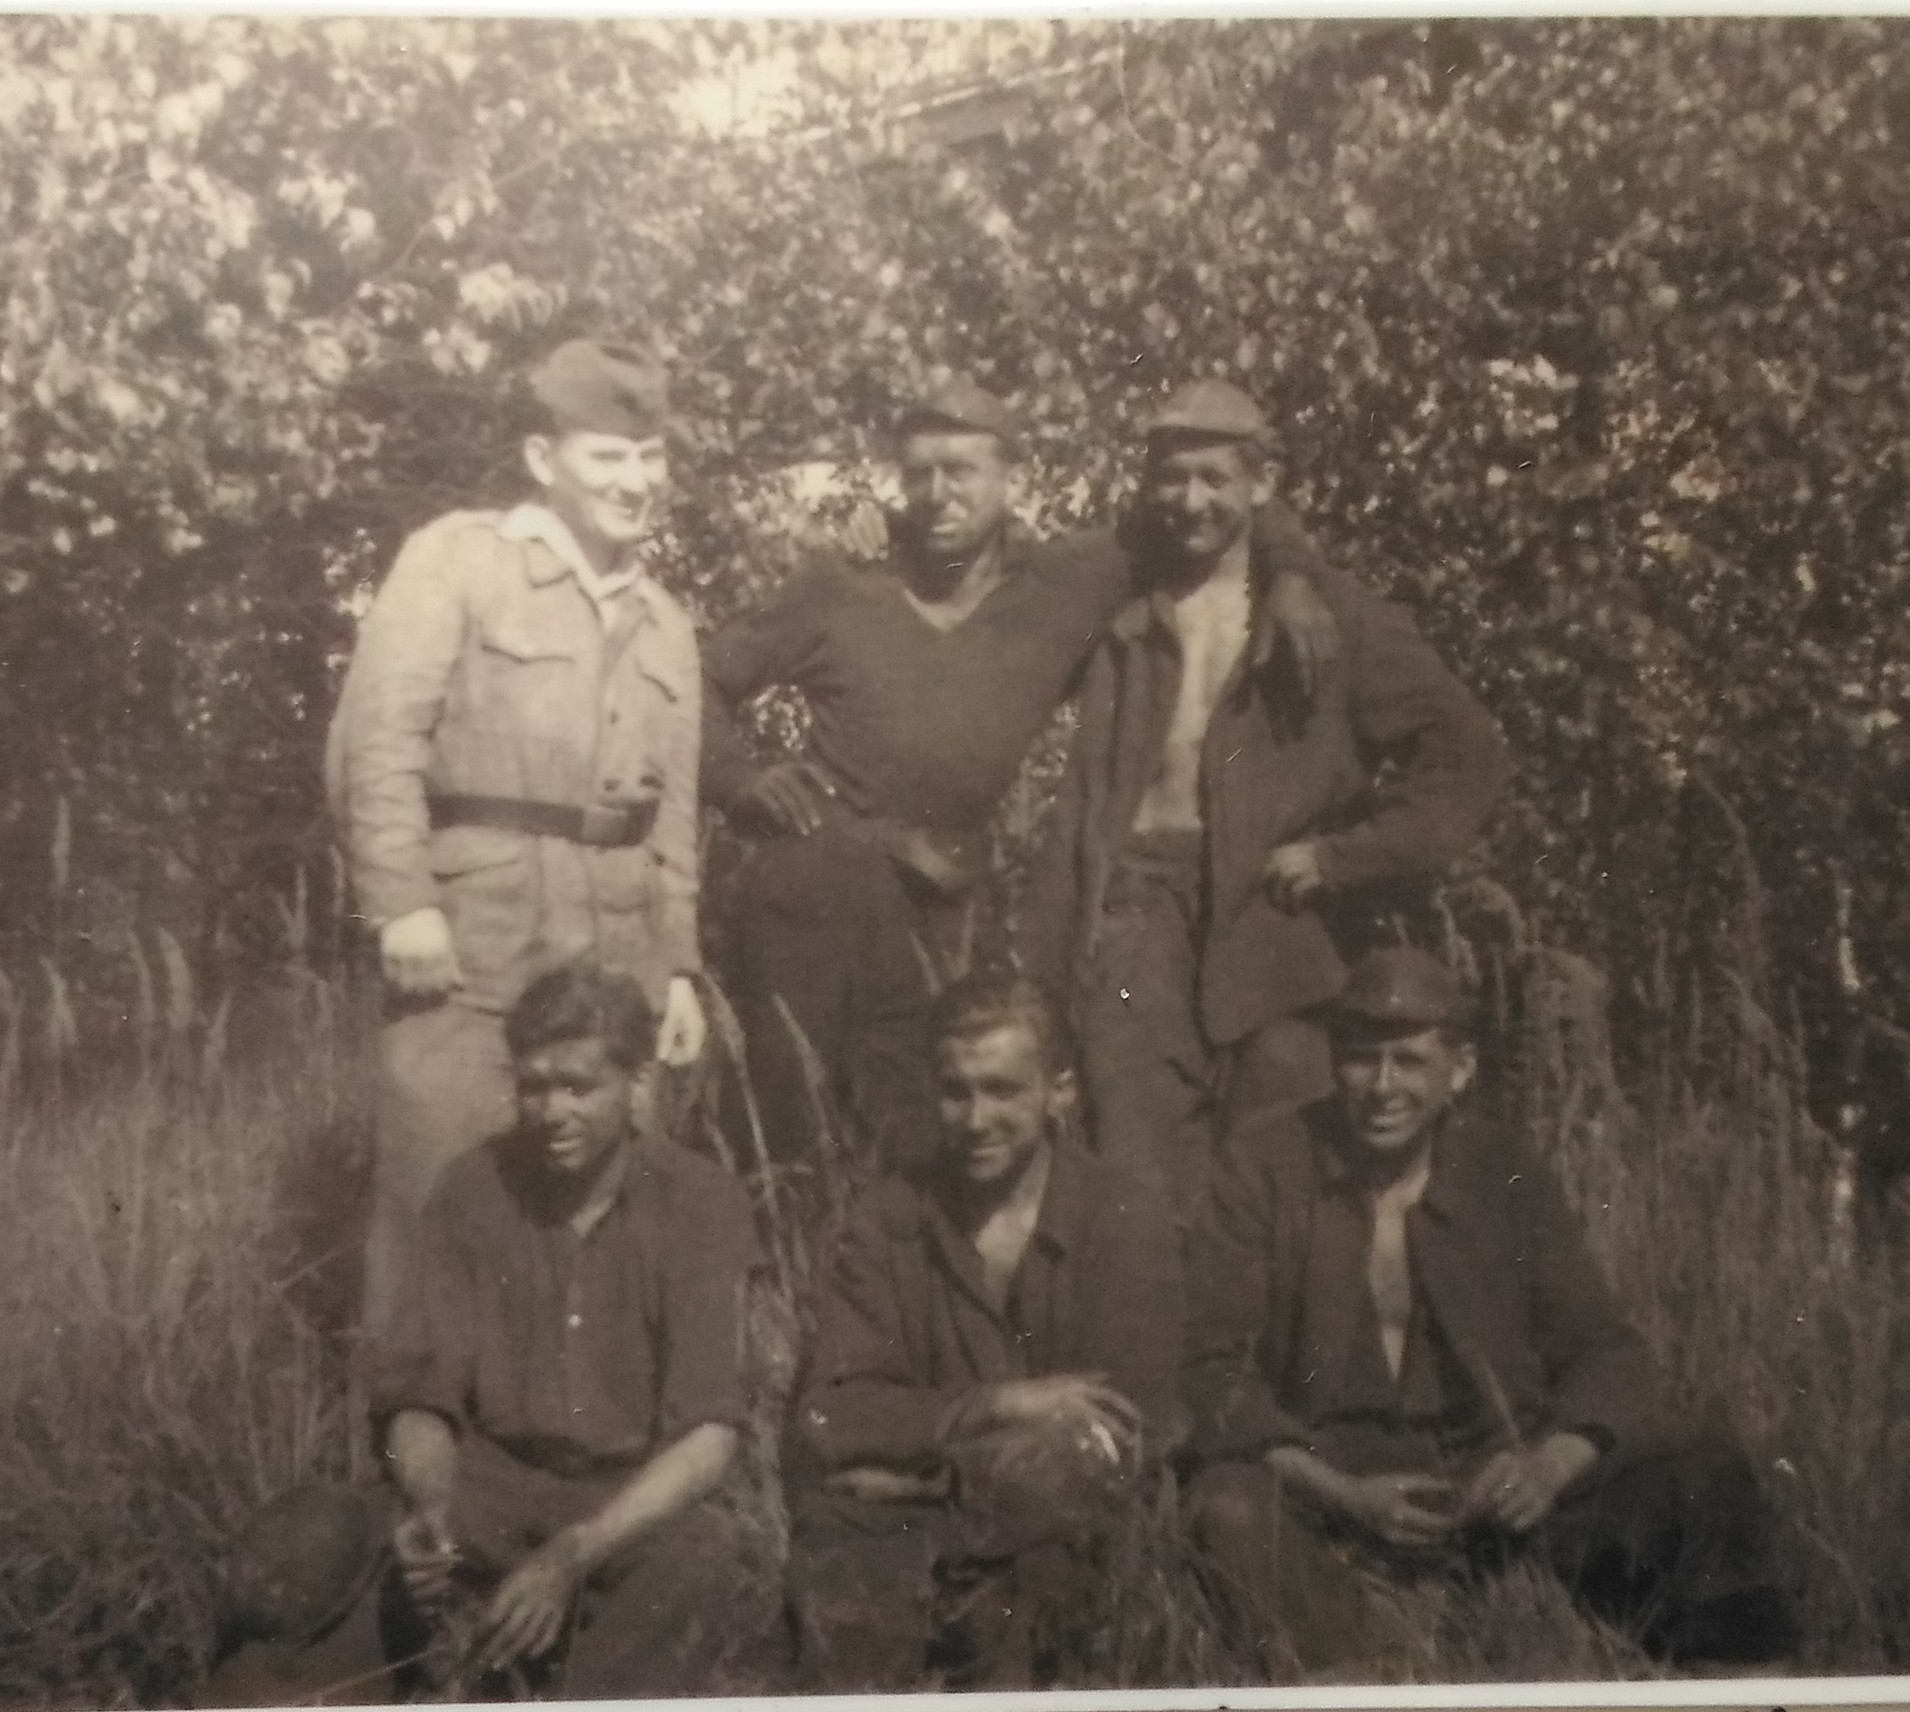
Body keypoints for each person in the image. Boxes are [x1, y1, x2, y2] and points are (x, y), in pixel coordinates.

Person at [702, 375, 1340, 1170]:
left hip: (937, 901)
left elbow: (1213, 503)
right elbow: (702, 679)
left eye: (961, 471)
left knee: (922, 1132)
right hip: (811, 889)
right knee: (787, 1133)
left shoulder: (1068, 583)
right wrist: (739, 778)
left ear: (1013, 477)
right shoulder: (841, 583)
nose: (938, 494)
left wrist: (1293, 575)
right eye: (919, 473)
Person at [1182, 947, 1796, 1679]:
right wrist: (1344, 1496)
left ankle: (1734, 1677)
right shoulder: (1264, 1167)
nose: (1383, 1087)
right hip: (1334, 1493)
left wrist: (1547, 1467)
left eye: (1410, 1062)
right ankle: (1366, 1662)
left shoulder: (1503, 1170)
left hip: (1494, 1494)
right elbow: (1215, 1372)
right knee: (1227, 1507)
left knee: (1698, 1457)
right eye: (1361, 1059)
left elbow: (1605, 1350)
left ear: (1460, 1070)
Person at [200, 957, 759, 1705]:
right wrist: (429, 1505)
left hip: (618, 1504)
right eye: (533, 1087)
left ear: (637, 1084)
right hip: (484, 1491)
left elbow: (708, 1438)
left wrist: (572, 1555)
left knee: (703, 1558)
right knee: (315, 1537)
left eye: (578, 1087)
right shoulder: (474, 1186)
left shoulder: (699, 1202)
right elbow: (419, 1393)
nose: (551, 1112)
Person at [1020, 379, 1512, 1222]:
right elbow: (999, 579)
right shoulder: (1116, 594)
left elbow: (1470, 756)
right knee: (1136, 1179)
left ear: (1262, 483)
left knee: (1280, 1181)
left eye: (1215, 478)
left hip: (1280, 928)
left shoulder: (1334, 616)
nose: (1191, 501)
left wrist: (1343, 859)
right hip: (1137, 916)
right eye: (1172, 477)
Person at [325, 338, 707, 1335]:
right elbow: (376, 742)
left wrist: (678, 966)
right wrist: (402, 903)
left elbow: (673, 816)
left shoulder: (666, 621)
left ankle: (573, 1427)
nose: (636, 481)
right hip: (474, 940)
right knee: (439, 1195)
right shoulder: (458, 560)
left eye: (651, 457)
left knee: (601, 1220)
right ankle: (414, 1427)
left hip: (619, 950)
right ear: (544, 458)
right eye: (608, 456)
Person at [786, 971, 1184, 1689]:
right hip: (912, 1530)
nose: (975, 1119)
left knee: (1040, 1571)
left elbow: (1120, 1434)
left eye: (1002, 1091)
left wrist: (925, 1477)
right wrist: (998, 1405)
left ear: (1059, 1092)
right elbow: (830, 1415)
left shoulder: (1122, 1216)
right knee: (839, 1555)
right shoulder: (886, 1217)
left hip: (1054, 1527)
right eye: (955, 1091)